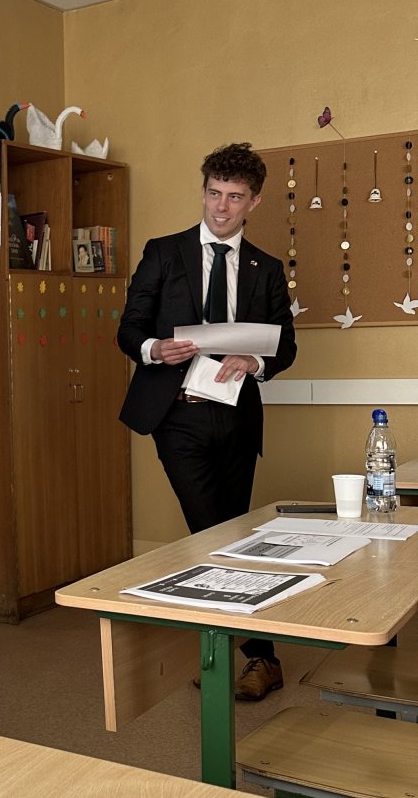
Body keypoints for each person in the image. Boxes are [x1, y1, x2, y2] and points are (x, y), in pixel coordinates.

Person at [118, 141, 296, 701]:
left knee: (233, 533)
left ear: (254, 202)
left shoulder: (267, 269)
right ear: (203, 191)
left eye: (235, 197)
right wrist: (152, 349)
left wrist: (255, 362)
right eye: (214, 193)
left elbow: (285, 345)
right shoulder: (163, 253)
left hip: (236, 416)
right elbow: (128, 328)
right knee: (210, 530)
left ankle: (238, 654)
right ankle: (256, 656)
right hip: (178, 416)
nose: (221, 207)